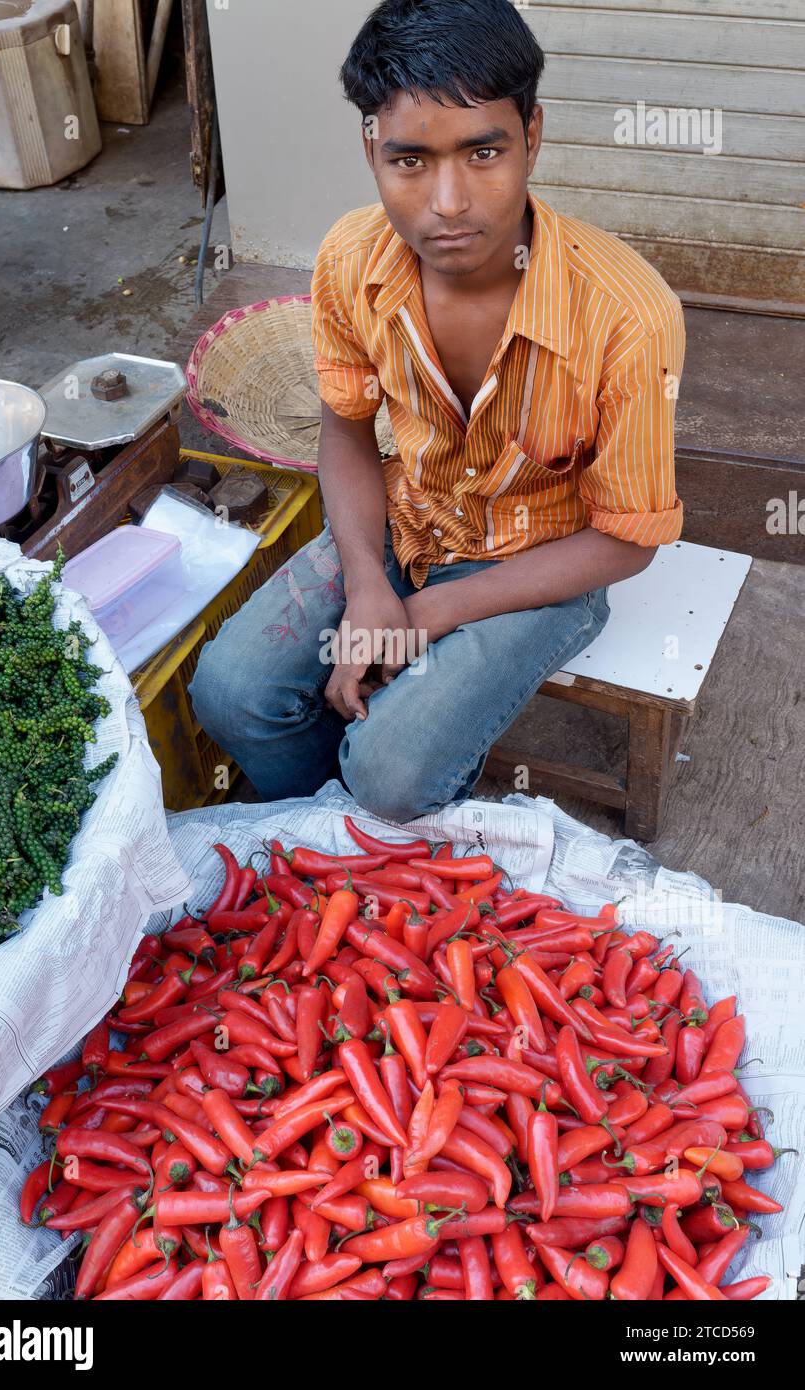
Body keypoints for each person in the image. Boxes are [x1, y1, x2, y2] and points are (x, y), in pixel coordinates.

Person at [190, 0, 685, 824]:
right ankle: (337, 837)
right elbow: (346, 430)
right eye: (409, 160)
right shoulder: (350, 258)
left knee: (390, 772)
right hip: (407, 521)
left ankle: (375, 810)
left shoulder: (627, 314)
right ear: (370, 150)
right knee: (230, 693)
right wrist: (365, 588)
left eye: (483, 152)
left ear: (532, 135)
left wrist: (420, 616)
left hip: (545, 564)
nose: (448, 202)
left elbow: (626, 539)